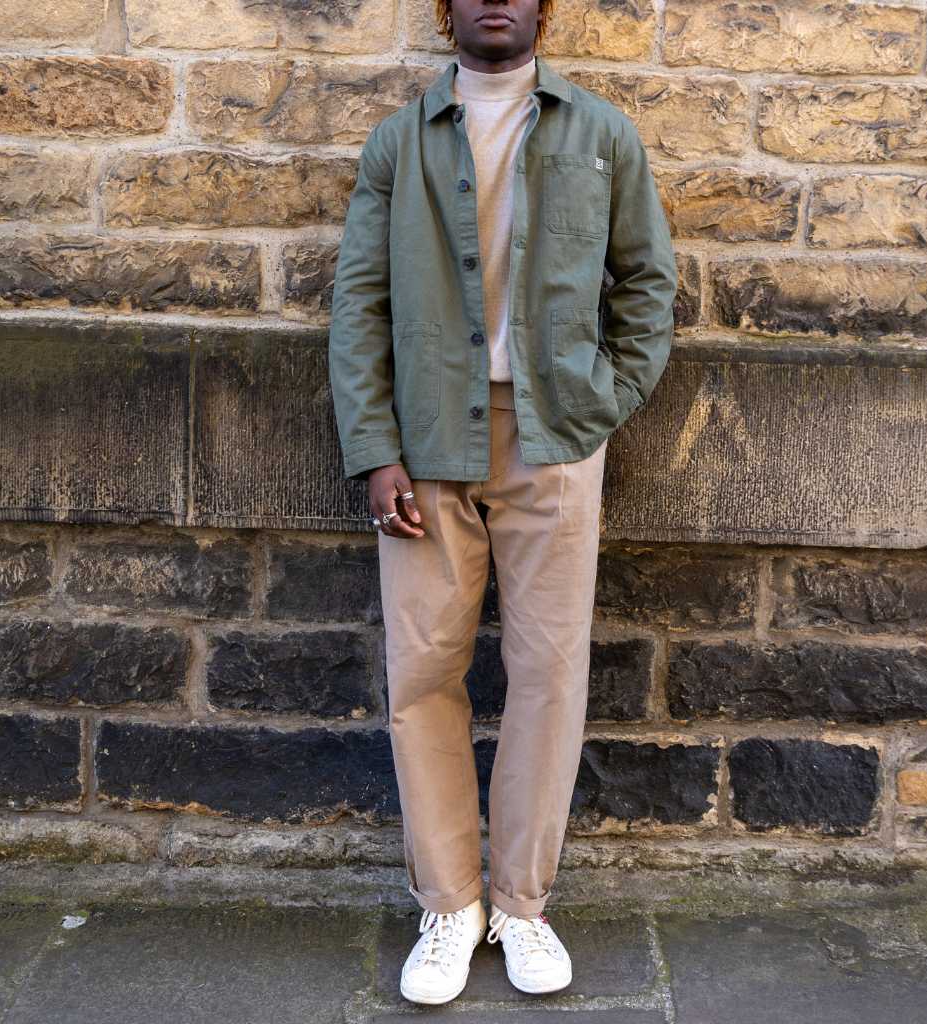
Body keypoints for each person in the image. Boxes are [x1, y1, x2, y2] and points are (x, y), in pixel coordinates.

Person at [327, 0, 677, 1005]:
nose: (496, 1)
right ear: (445, 10)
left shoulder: (600, 132)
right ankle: (450, 904)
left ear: (542, 10)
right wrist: (374, 450)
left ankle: (521, 903)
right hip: (425, 443)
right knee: (421, 672)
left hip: (557, 436)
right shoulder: (399, 140)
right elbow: (358, 300)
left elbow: (646, 284)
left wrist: (604, 404)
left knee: (550, 672)